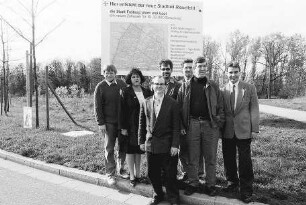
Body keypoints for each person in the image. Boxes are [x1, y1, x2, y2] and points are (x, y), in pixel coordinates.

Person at [177, 56, 224, 196]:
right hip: (192, 124)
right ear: (194, 68)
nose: (202, 69)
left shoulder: (213, 85)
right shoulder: (185, 86)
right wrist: (182, 125)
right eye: (199, 66)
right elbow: (179, 108)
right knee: (193, 156)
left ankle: (210, 185)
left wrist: (218, 122)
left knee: (210, 157)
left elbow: (221, 106)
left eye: (204, 66)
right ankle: (193, 183)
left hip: (210, 125)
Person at [221, 62, 259, 203]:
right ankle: (232, 183)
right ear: (227, 73)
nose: (233, 75)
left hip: (244, 130)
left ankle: (246, 189)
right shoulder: (222, 89)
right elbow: (222, 111)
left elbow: (254, 109)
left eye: (235, 72)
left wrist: (254, 129)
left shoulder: (249, 88)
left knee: (245, 161)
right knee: (228, 159)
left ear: (240, 72)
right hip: (228, 131)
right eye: (230, 72)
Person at [138, 76, 180, 205]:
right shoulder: (146, 102)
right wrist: (141, 141)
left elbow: (176, 126)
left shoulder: (172, 103)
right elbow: (141, 123)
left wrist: (175, 145)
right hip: (151, 143)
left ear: (165, 86)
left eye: (162, 84)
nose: (159, 86)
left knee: (170, 174)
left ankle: (173, 198)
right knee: (152, 173)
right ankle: (158, 195)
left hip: (167, 144)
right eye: (157, 83)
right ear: (152, 85)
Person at [94, 64, 127, 185]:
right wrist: (100, 123)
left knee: (123, 147)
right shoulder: (100, 87)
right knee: (109, 149)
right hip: (108, 124)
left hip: (121, 123)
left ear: (115, 73)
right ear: (104, 74)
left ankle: (121, 168)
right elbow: (97, 107)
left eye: (112, 72)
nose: (109, 74)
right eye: (107, 72)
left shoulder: (122, 84)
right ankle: (110, 173)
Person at [119, 68, 152, 187]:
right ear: (130, 79)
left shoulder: (147, 91)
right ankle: (132, 175)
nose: (136, 78)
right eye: (133, 77)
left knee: (139, 150)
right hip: (130, 126)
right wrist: (123, 127)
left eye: (138, 76)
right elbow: (122, 110)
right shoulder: (125, 91)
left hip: (143, 126)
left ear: (141, 78)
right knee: (130, 150)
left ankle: (138, 174)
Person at [177, 59, 204, 183]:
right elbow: (178, 107)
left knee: (197, 150)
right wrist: (181, 125)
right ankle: (185, 172)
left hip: (196, 123)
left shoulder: (198, 83)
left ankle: (199, 173)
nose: (188, 70)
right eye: (185, 68)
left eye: (190, 67)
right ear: (182, 69)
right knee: (183, 150)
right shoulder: (180, 85)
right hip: (183, 124)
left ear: (193, 69)